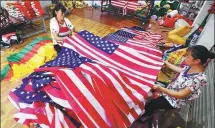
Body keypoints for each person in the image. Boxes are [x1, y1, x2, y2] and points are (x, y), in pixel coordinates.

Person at [140, 45, 215, 122]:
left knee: (152, 104)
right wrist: (168, 64)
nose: (185, 58)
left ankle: (147, 115)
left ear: (197, 61)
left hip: (174, 100)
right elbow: (182, 70)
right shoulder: (192, 66)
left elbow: (181, 95)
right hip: (170, 90)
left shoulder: (198, 79)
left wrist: (161, 89)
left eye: (188, 57)